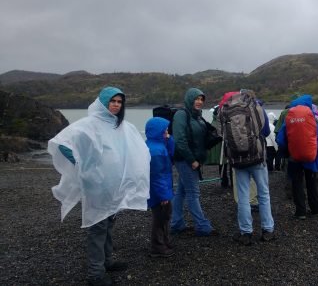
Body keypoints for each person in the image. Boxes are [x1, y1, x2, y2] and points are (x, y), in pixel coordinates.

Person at [48, 86, 150, 286]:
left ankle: (107, 262)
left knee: (109, 223)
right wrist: (83, 166)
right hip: (96, 185)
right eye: (113, 101)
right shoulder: (89, 124)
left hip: (113, 185)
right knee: (98, 226)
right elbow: (63, 143)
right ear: (103, 102)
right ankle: (95, 273)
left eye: (120, 102)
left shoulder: (121, 126)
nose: (116, 105)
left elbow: (135, 148)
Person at [219, 90, 275, 245]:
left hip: (237, 159)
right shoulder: (255, 106)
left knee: (243, 196)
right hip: (256, 157)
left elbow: (222, 134)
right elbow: (266, 131)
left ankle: (246, 232)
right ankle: (267, 230)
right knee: (263, 194)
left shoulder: (225, 110)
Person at [170, 88, 218, 237]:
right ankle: (203, 226)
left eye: (201, 99)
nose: (199, 102)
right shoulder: (181, 115)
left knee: (182, 192)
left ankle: (176, 223)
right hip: (185, 160)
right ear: (189, 99)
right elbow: (179, 140)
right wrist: (192, 160)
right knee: (193, 193)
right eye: (196, 98)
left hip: (194, 159)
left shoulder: (197, 116)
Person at [276, 94, 318, 219]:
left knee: (297, 183)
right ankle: (315, 209)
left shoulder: (289, 117)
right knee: (311, 182)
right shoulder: (312, 118)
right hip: (310, 155)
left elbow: (280, 139)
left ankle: (300, 211)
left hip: (294, 156)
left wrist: (287, 150)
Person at [145, 117, 175, 258]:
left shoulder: (158, 145)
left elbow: (170, 153)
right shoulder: (155, 151)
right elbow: (157, 176)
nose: (167, 132)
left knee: (165, 215)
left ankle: (164, 241)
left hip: (161, 188)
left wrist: (169, 140)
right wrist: (164, 196)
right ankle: (157, 246)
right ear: (158, 132)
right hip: (158, 191)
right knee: (160, 218)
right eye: (165, 130)